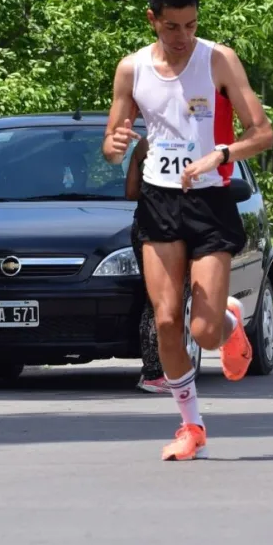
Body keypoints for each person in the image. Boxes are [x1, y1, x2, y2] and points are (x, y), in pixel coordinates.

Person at [103, 0, 273, 461]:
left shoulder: (217, 59)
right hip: (158, 200)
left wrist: (221, 155)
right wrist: (114, 147)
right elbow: (115, 142)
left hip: (209, 199)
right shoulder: (131, 69)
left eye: (191, 25)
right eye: (172, 27)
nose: (182, 38)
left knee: (202, 330)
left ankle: (229, 319)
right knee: (165, 322)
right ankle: (191, 425)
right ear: (152, 19)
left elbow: (262, 134)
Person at [122, 137, 168, 394]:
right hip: (172, 224)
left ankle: (153, 371)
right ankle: (161, 369)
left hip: (144, 222)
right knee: (172, 298)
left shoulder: (142, 145)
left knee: (154, 300)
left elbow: (130, 192)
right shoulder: (187, 139)